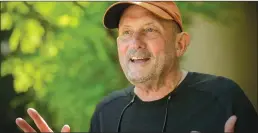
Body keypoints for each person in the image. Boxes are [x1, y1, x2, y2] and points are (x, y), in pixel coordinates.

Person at [15, 1, 258, 133]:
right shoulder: (106, 112)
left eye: (149, 30)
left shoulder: (223, 98)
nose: (135, 43)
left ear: (180, 44)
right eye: (126, 33)